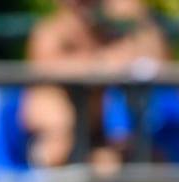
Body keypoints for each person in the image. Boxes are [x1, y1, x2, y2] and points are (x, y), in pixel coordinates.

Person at [20, 0, 169, 170]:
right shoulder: (49, 33)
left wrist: (139, 17)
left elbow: (155, 58)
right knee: (101, 164)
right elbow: (53, 68)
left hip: (92, 138)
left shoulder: (102, 32)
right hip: (52, 142)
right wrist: (104, 62)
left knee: (152, 159)